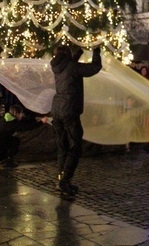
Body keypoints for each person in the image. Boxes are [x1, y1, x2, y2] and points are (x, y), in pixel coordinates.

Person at [50, 44, 102, 196]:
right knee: (75, 146)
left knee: (62, 145)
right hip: (69, 110)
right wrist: (96, 51)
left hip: (57, 109)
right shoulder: (71, 66)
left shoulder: (57, 66)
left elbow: (70, 66)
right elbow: (94, 67)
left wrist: (79, 52)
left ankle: (60, 177)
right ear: (68, 54)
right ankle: (65, 180)